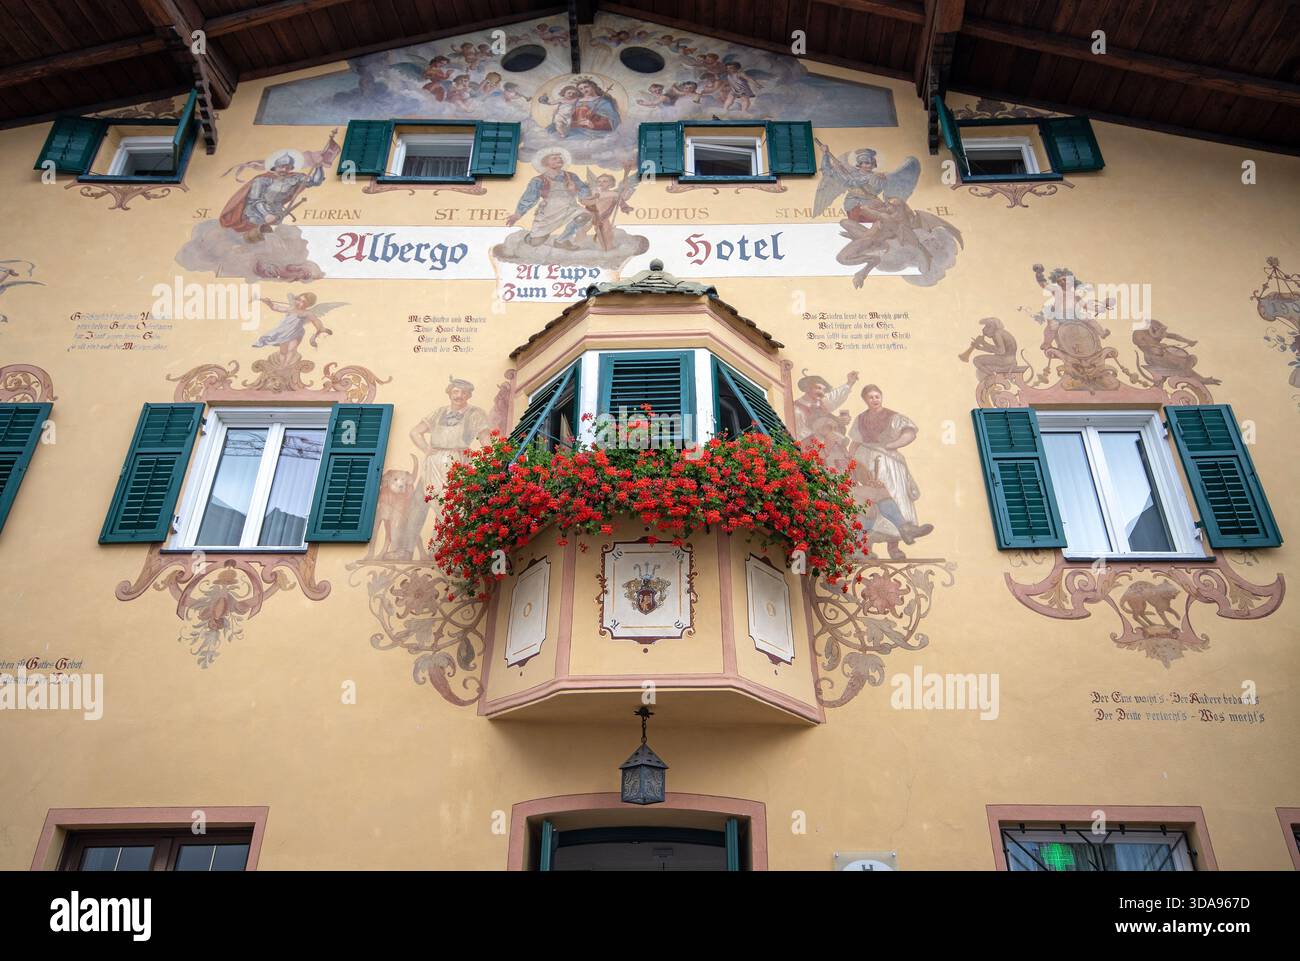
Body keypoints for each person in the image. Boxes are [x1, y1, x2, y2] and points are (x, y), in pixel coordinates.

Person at [849, 384, 931, 547]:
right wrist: (851, 462)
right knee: (869, 503)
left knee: (892, 495)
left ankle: (897, 540)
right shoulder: (860, 419)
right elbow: (854, 443)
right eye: (870, 397)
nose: (874, 399)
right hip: (865, 461)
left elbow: (909, 433)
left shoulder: (894, 416)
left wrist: (892, 445)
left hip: (889, 461)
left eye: (876, 396)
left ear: (881, 397)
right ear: (865, 400)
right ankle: (865, 544)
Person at [410, 378, 491, 497]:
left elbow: (485, 439)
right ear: (449, 394)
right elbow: (415, 432)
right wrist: (426, 449)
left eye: (464, 393)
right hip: (434, 462)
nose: (459, 396)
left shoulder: (476, 413)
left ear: (469, 396)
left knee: (455, 501)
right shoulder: (439, 412)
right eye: (456, 392)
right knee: (429, 498)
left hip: (458, 460)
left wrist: (490, 460)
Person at [219, 152, 324, 244]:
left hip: (277, 213)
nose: (284, 169)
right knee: (253, 239)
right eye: (281, 166)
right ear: (275, 167)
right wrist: (266, 214)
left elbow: (315, 181)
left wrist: (319, 166)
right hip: (256, 212)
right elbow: (255, 200)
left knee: (272, 241)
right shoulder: (262, 180)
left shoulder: (295, 178)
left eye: (288, 167)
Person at [505, 149, 592, 249]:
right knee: (535, 243)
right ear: (545, 162)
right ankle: (531, 237)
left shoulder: (571, 176)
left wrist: (579, 193)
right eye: (554, 158)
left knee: (584, 215)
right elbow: (529, 198)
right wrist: (518, 214)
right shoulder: (539, 180)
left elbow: (584, 188)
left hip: (570, 207)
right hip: (549, 212)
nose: (559, 159)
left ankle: (562, 241)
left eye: (560, 158)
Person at [792, 370, 859, 442]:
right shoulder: (797, 409)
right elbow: (800, 434)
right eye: (818, 388)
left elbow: (836, 396)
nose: (821, 393)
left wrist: (849, 383)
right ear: (808, 388)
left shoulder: (822, 402)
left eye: (824, 390)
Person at [965, 317, 1022, 381]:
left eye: (987, 326)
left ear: (993, 327)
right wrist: (981, 348)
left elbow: (1001, 351)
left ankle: (993, 376)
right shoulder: (1000, 333)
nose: (984, 329)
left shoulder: (997, 334)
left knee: (976, 360)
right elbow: (998, 350)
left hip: (1006, 360)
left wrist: (984, 343)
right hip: (1010, 359)